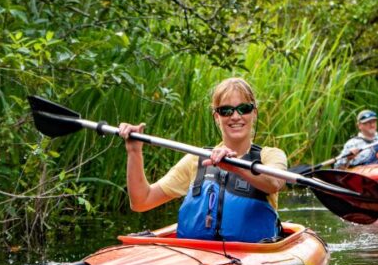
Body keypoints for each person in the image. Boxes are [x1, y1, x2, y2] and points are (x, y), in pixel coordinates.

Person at [118, 77, 287, 243]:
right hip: (198, 256)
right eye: (226, 111)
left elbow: (274, 183)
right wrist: (134, 151)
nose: (236, 116)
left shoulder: (270, 156)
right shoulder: (196, 160)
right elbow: (141, 201)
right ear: (216, 117)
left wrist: (236, 167)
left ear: (254, 113)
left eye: (244, 108)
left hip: (254, 256)